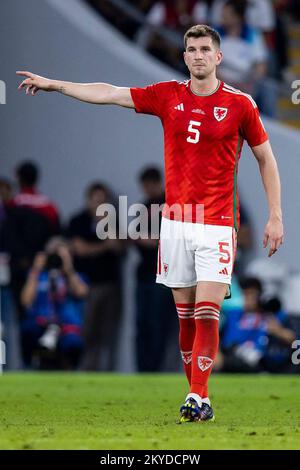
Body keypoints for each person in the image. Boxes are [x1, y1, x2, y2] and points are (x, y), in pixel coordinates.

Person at [16, 24, 284, 422]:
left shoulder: (240, 104)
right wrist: (57, 85)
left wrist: (275, 215)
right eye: (191, 48)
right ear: (185, 55)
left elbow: (266, 158)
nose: (197, 55)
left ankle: (199, 395)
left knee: (208, 311)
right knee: (187, 318)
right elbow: (109, 92)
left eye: (204, 49)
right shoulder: (168, 95)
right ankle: (196, 393)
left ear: (218, 57)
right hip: (175, 226)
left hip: (216, 224)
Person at [66, 183, 123, 371]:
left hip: (110, 284)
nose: (99, 204)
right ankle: (86, 369)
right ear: (88, 200)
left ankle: (107, 371)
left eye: (102, 200)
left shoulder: (112, 222)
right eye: (95, 199)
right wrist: (102, 246)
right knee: (87, 330)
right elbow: (80, 249)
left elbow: (118, 246)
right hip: (83, 284)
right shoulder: (78, 221)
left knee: (109, 331)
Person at [134, 167, 178, 372]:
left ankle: (156, 368)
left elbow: (173, 240)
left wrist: (153, 241)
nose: (146, 190)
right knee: (142, 325)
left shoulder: (171, 205)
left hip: (163, 276)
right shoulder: (144, 207)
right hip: (144, 274)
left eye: (149, 185)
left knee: (158, 325)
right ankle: (143, 368)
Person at [20, 237, 88, 369]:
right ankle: (29, 368)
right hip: (41, 324)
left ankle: (70, 371)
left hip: (66, 325)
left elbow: (81, 292)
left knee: (73, 342)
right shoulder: (38, 276)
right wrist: (35, 270)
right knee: (28, 331)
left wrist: (68, 269)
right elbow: (25, 300)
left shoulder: (74, 276)